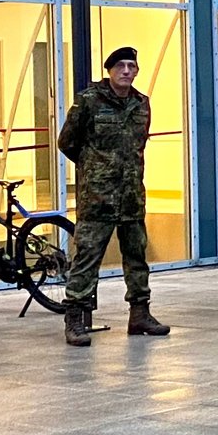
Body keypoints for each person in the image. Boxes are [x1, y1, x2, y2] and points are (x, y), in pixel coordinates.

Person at [59, 47, 166, 346]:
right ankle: (75, 319)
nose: (127, 71)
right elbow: (67, 142)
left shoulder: (141, 104)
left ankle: (140, 313)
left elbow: (139, 143)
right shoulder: (89, 100)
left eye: (132, 66)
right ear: (110, 70)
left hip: (131, 194)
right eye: (121, 65)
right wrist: (94, 169)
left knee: (136, 257)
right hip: (97, 196)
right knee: (87, 258)